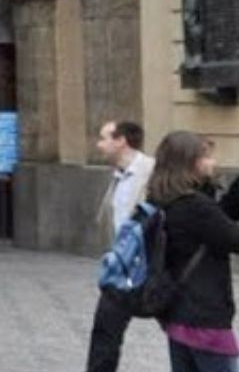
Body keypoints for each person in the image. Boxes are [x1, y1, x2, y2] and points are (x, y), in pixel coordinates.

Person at [145, 131, 239, 372]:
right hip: (205, 319)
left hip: (177, 314)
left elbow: (217, 222)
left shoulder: (161, 199)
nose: (214, 162)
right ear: (189, 163)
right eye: (207, 157)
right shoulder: (196, 207)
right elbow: (232, 238)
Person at [86, 120, 156, 372]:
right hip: (120, 269)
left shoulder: (151, 171)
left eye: (104, 138)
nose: (99, 144)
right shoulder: (117, 175)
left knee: (180, 330)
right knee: (104, 334)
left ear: (121, 141)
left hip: (150, 268)